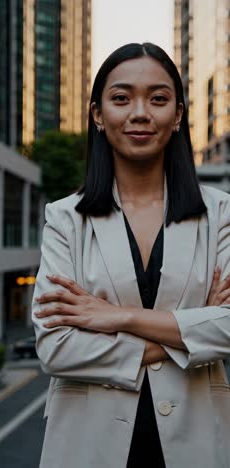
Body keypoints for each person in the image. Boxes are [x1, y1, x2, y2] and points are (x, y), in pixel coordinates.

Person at [32, 43, 230, 468]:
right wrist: (192, 328)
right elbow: (55, 347)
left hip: (197, 445)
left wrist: (115, 317)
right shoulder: (65, 218)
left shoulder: (220, 213)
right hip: (86, 449)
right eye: (121, 98)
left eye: (158, 99)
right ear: (98, 115)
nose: (140, 113)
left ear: (178, 115)